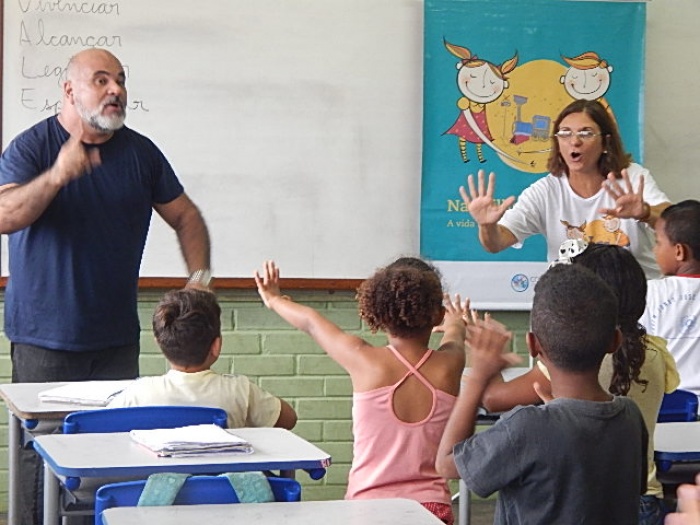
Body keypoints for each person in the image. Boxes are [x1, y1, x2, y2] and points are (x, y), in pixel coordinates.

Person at [0, 48, 210, 524]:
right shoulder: (32, 148)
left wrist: (200, 282)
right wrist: (57, 176)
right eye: (101, 80)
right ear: (69, 90)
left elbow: (187, 216)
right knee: (41, 461)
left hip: (115, 342)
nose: (116, 89)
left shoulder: (141, 154)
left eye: (120, 80)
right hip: (44, 341)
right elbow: (6, 215)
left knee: (109, 457)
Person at [254, 258, 467, 524]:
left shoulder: (363, 359)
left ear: (378, 313)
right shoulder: (450, 364)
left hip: (368, 509)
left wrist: (274, 299)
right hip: (431, 510)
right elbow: (455, 336)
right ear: (437, 315)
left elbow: (310, 322)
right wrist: (455, 322)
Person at [481, 244, 679, 524]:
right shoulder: (657, 353)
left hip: (585, 498)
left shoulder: (572, 358)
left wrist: (486, 357)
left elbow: (493, 399)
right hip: (642, 497)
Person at [436, 263, 649, 524]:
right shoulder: (630, 416)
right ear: (615, 341)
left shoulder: (527, 426)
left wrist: (479, 376)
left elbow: (446, 463)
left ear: (533, 344)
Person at [459, 98, 671, 278]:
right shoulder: (545, 191)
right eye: (565, 133)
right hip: (574, 302)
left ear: (606, 143)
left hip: (639, 300)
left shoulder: (631, 177)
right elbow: (496, 243)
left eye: (586, 133)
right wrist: (487, 226)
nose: (574, 141)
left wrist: (644, 212)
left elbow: (673, 221)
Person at [108, 289, 297, 430]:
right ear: (217, 346)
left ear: (160, 343)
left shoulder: (139, 393)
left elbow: (100, 424)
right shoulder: (240, 391)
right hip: (223, 475)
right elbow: (289, 419)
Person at [640, 200, 700, 399]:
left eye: (658, 242)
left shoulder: (650, 293)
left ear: (679, 251)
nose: (654, 250)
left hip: (669, 408)